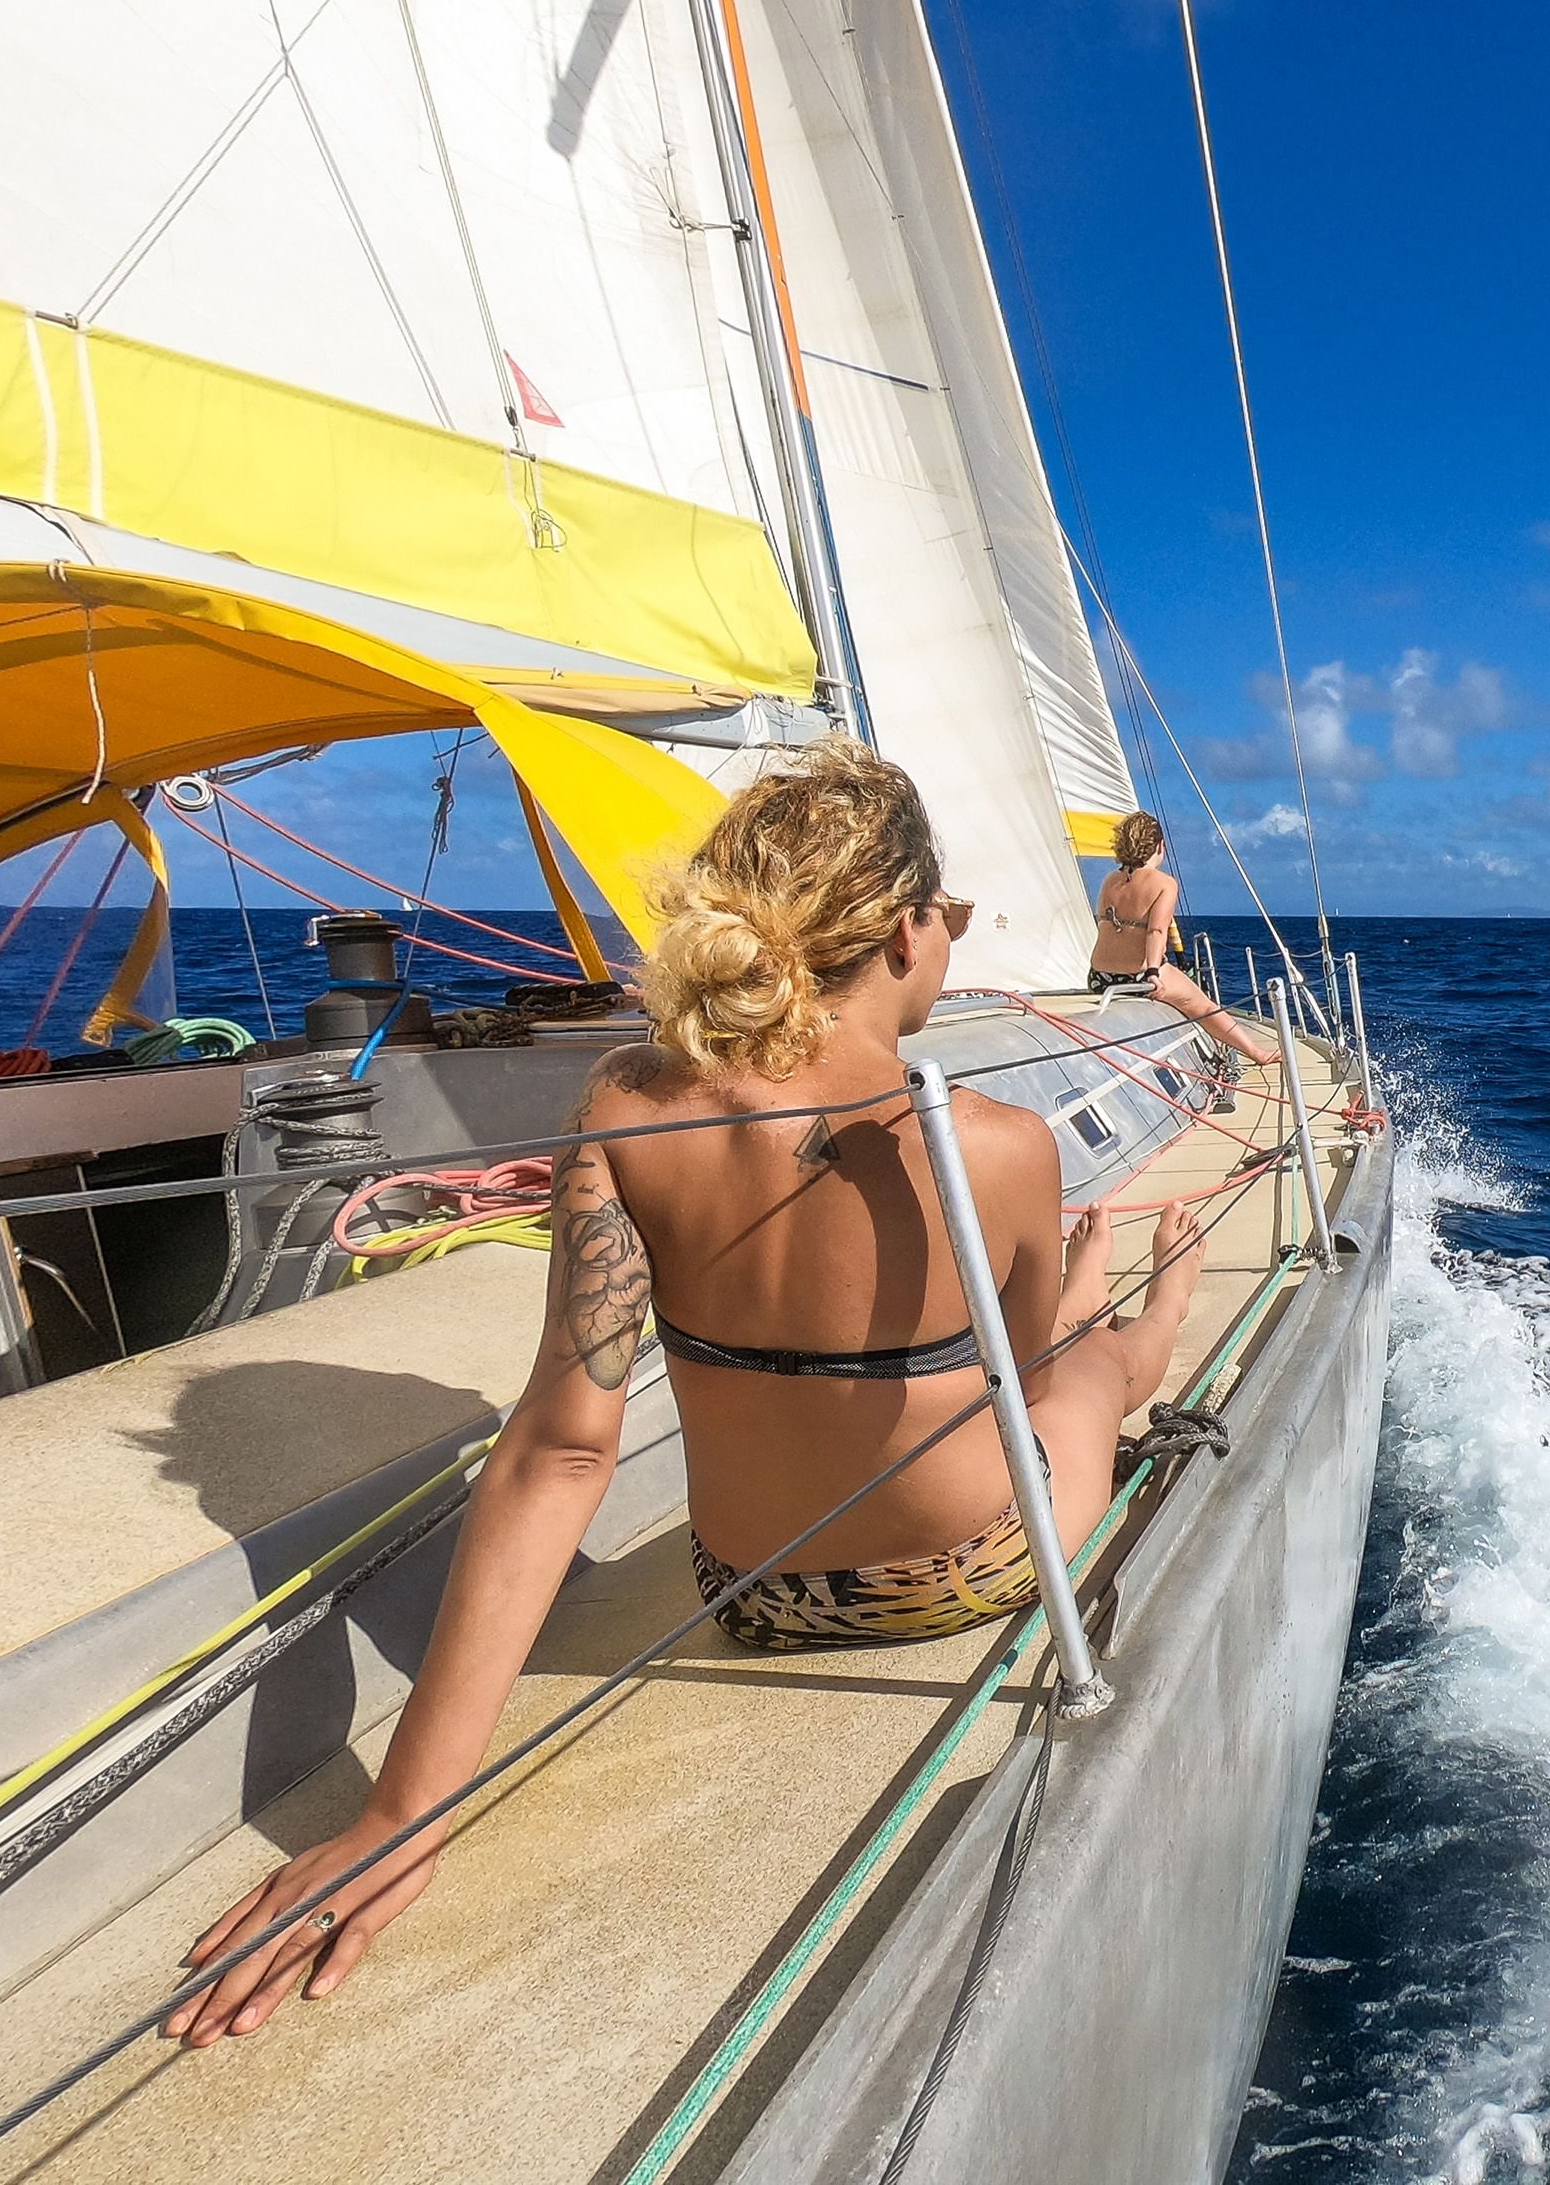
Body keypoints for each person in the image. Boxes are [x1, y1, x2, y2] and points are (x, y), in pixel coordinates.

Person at [165, 739, 1203, 2045]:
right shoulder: (998, 1145)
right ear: (897, 934)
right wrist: (1070, 1296)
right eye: (943, 916)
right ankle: (1162, 1291)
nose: (948, 941)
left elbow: (556, 1453)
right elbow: (1026, 1389)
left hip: (748, 1590)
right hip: (965, 1571)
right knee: (1095, 1370)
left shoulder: (630, 1102)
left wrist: (399, 1816)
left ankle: (1125, 1285)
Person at [1088, 811, 1279, 1068]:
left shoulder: (1110, 880)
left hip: (1099, 976)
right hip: (1139, 977)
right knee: (1202, 1006)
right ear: (1159, 846)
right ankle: (1257, 1053)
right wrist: (1154, 972)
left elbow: (1104, 924)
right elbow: (1156, 931)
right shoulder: (1164, 884)